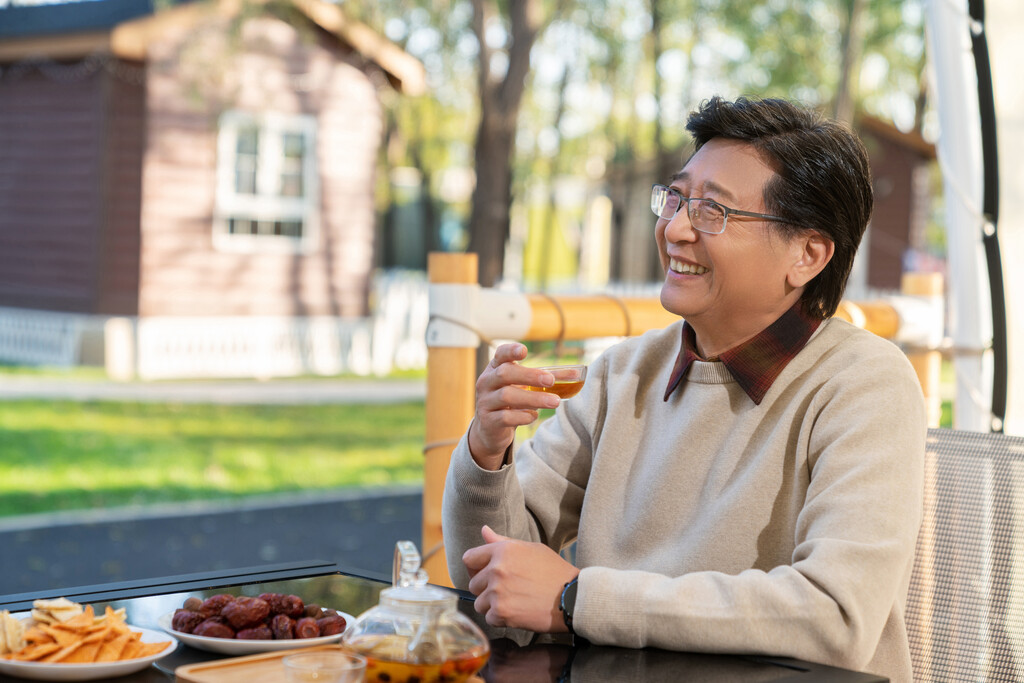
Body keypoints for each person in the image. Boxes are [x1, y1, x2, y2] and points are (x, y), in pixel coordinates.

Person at [442, 95, 926, 682]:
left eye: (713, 212)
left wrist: (578, 598)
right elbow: (493, 583)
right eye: (676, 198)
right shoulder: (623, 371)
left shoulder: (864, 384)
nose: (674, 228)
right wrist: (486, 454)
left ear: (808, 254)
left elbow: (835, 617)